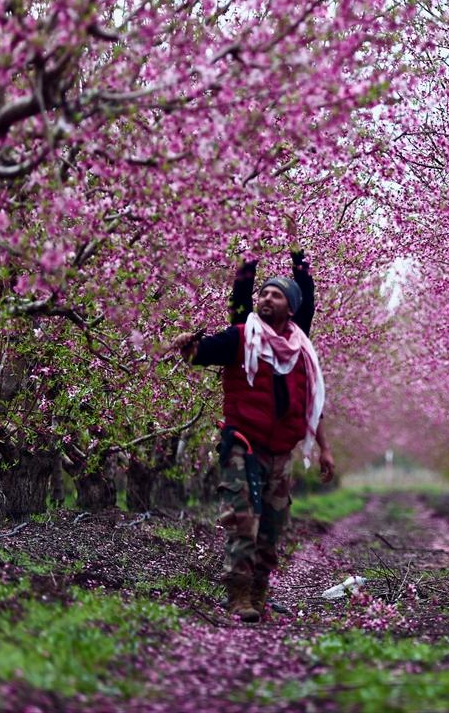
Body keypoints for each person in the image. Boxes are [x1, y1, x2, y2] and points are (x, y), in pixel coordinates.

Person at [171, 251, 333, 622]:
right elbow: (203, 350)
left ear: (291, 309)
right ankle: (238, 594)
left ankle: (258, 591)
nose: (265, 299)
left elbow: (312, 403)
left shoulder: (300, 352)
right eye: (262, 294)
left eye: (275, 295)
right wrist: (188, 347)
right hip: (242, 442)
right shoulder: (240, 337)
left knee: (272, 527)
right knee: (243, 519)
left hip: (280, 451)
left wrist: (325, 448)